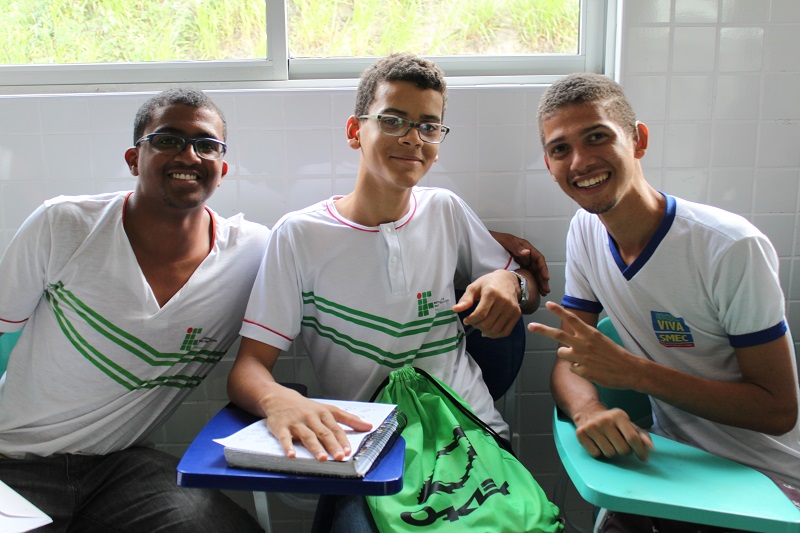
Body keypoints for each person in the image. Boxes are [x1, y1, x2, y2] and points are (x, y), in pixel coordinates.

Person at [227, 53, 548, 531]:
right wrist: (277, 400)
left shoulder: (445, 210)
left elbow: (529, 291)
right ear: (355, 131)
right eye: (393, 120)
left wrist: (511, 281)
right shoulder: (299, 236)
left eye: (429, 126)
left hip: (471, 436)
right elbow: (248, 368)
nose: (413, 138)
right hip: (367, 452)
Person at [527, 72, 800, 530]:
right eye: (560, 149)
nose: (580, 161)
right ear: (549, 164)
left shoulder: (730, 247)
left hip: (767, 484)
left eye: (597, 137)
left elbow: (778, 410)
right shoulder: (585, 230)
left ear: (638, 140)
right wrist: (589, 409)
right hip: (669, 467)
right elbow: (571, 357)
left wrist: (636, 374)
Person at [0, 88, 266, 532]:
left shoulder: (252, 252)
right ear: (133, 159)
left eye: (206, 145)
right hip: (12, 461)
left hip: (121, 468)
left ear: (222, 169)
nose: (189, 155)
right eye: (167, 140)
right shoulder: (63, 224)